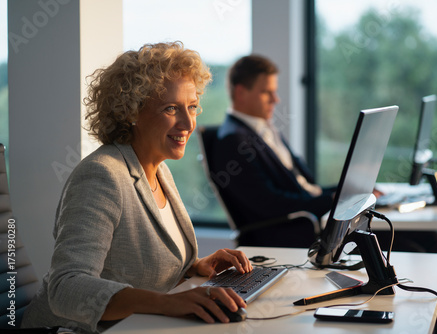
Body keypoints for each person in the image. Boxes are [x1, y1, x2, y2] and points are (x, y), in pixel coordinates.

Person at [21, 42, 253, 334]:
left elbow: (136, 263)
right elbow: (67, 288)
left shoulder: (159, 169)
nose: (188, 122)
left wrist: (194, 268)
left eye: (192, 107)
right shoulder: (102, 175)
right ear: (131, 112)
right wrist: (171, 303)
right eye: (171, 108)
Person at [211, 55, 336, 248]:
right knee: (389, 236)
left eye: (274, 92)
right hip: (290, 233)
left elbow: (303, 185)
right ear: (241, 93)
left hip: (308, 219)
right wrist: (330, 201)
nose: (275, 100)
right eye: (266, 92)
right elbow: (270, 204)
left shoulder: (264, 128)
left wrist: (341, 192)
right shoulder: (233, 140)